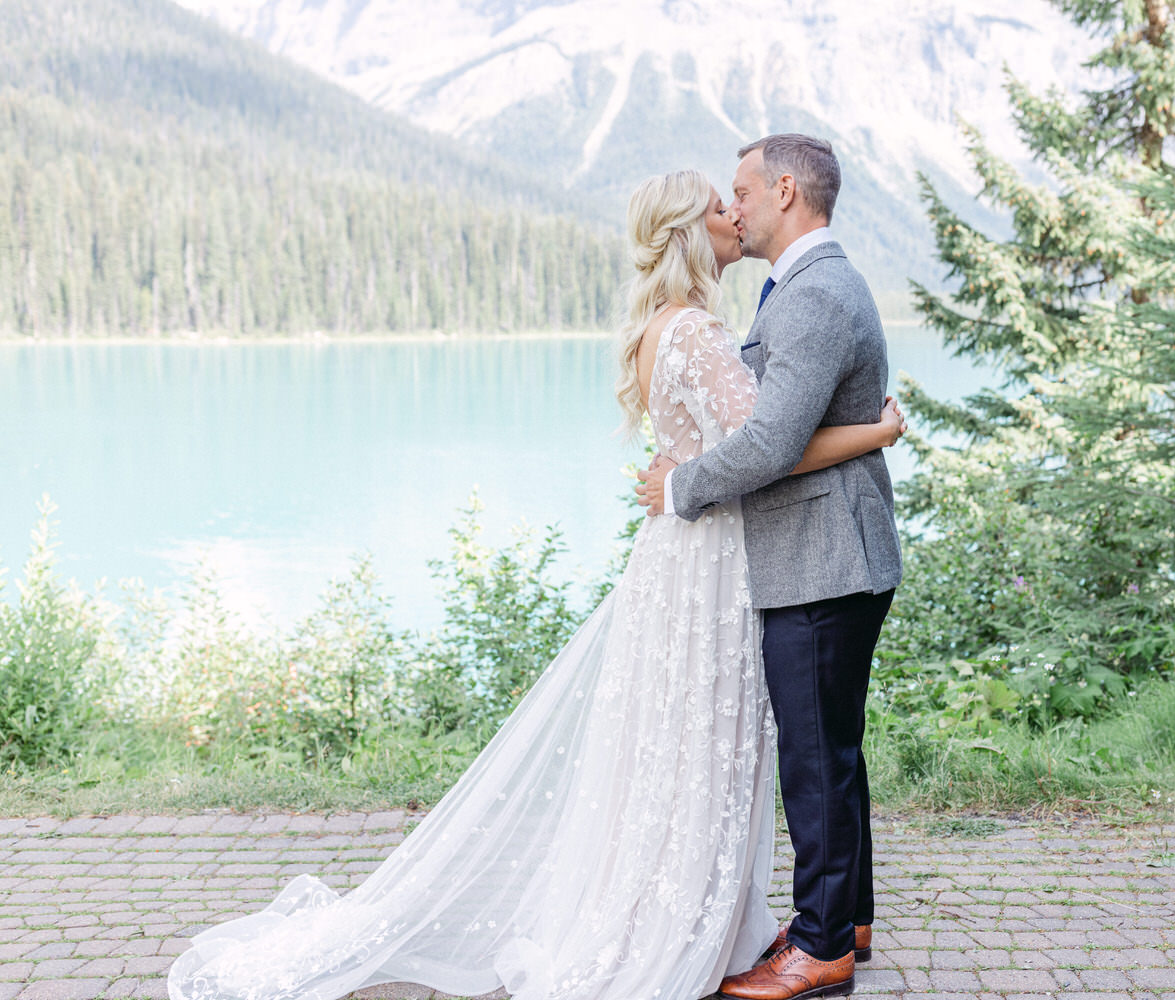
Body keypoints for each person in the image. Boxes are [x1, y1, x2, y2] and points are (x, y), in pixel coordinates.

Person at [165, 168, 903, 1000]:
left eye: (740, 198)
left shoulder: (672, 325)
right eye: (719, 205)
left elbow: (738, 443)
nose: (735, 212)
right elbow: (764, 448)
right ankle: (698, 920)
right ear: (695, 233)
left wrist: (691, 472)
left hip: (685, 557)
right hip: (707, 563)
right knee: (707, 741)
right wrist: (873, 429)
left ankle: (738, 915)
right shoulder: (696, 330)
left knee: (689, 744)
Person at [637, 133, 900, 1000]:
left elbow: (770, 442)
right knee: (834, 750)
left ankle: (822, 945)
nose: (735, 207)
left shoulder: (816, 293)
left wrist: (680, 487)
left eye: (743, 190)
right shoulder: (803, 288)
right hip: (821, 554)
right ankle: (846, 916)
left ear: (786, 191)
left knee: (815, 758)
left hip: (822, 557)